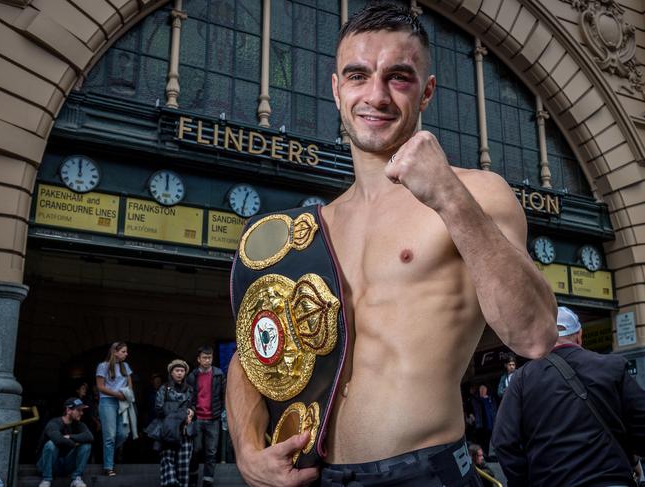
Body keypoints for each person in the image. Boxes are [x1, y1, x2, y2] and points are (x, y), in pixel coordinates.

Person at [226, 3, 558, 487]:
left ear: (426, 92)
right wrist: (246, 449)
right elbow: (250, 353)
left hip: (424, 473)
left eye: (398, 77)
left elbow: (535, 335)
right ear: (337, 88)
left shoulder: (476, 193)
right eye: (358, 75)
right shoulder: (314, 228)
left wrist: (449, 197)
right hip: (320, 476)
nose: (376, 95)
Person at [492, 306, 645, 486]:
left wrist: (524, 480)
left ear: (541, 337)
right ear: (579, 335)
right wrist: (630, 458)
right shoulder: (613, 366)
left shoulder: (521, 378)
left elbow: (503, 441)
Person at [186, 345, 226, 487]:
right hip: (197, 418)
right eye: (204, 357)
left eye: (210, 357)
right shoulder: (192, 375)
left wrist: (221, 410)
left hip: (213, 418)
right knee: (195, 450)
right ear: (198, 359)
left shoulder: (218, 374)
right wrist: (190, 410)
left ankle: (208, 480)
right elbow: (189, 396)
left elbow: (224, 394)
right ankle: (193, 477)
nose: (208, 360)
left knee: (211, 452)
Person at [36, 398, 94, 487]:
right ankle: (46, 480)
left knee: (86, 445)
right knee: (51, 444)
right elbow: (58, 440)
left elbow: (90, 437)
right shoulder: (54, 423)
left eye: (82, 410)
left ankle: (76, 478)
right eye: (78, 410)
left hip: (65, 465)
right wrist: (75, 444)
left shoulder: (79, 424)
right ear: (68, 410)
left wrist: (70, 436)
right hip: (45, 465)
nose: (81, 413)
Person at [156, 359, 196, 487]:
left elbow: (194, 406)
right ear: (171, 372)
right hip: (168, 430)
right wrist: (180, 413)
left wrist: (191, 413)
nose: (180, 373)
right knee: (167, 459)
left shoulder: (189, 389)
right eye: (177, 370)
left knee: (184, 464)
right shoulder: (164, 389)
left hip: (185, 431)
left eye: (182, 371)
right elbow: (158, 408)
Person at [95, 341, 132, 476]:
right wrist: (117, 394)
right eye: (123, 351)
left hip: (122, 402)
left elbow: (129, 384)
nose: (126, 354)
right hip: (107, 402)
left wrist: (127, 396)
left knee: (123, 433)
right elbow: (100, 387)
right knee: (110, 435)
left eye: (126, 351)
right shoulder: (103, 366)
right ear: (115, 352)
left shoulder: (125, 366)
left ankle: (105, 452)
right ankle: (108, 467)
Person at [471, 384, 497, 457]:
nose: (482, 391)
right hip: (481, 424)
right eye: (481, 389)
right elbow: (474, 410)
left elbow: (494, 410)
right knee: (482, 441)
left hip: (491, 424)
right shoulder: (476, 399)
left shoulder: (490, 398)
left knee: (488, 441)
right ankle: (483, 456)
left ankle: (486, 455)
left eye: (484, 389)